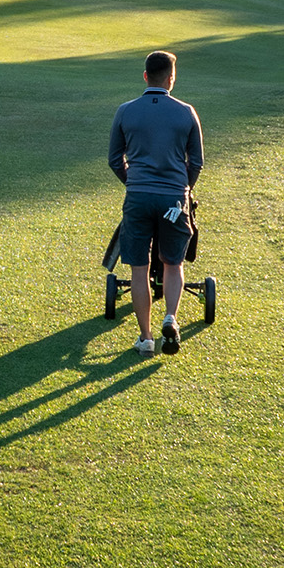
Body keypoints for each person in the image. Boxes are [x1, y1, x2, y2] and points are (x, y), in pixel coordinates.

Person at [108, 49, 205, 355]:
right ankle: (171, 318)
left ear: (145, 76)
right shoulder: (186, 112)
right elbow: (196, 162)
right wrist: (184, 189)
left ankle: (146, 337)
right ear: (171, 78)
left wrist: (133, 183)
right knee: (173, 264)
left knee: (139, 269)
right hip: (173, 198)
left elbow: (114, 159)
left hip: (138, 196)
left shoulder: (125, 111)